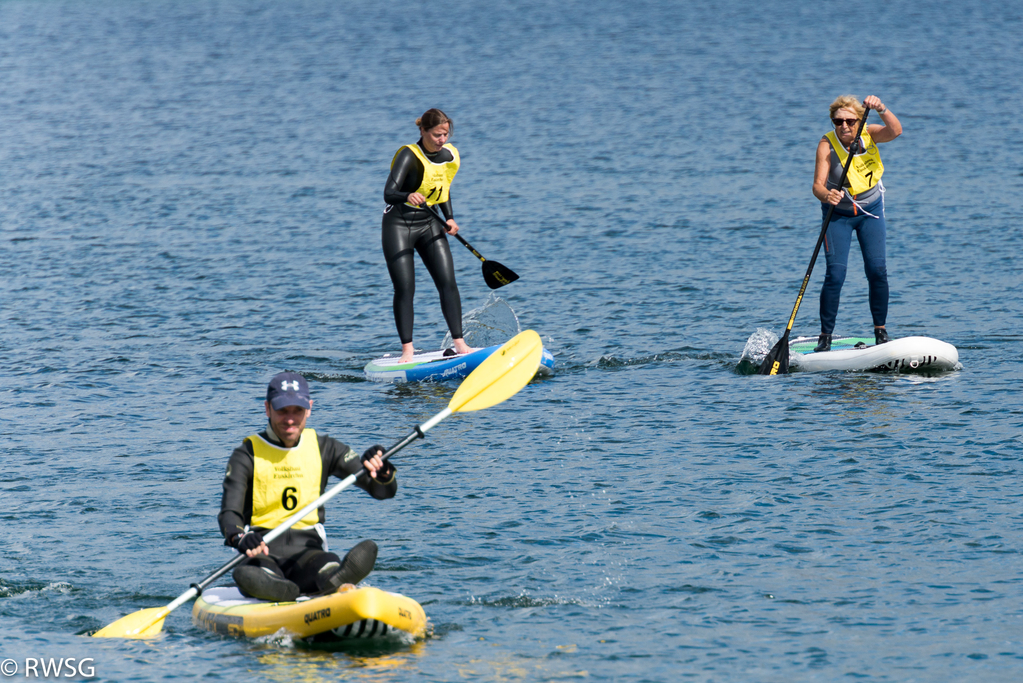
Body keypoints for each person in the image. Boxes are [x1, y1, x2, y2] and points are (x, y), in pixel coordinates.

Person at [218, 372, 397, 602]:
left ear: (309, 408)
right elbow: (229, 512)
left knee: (326, 564)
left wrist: (382, 471)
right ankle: (277, 588)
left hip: (309, 551)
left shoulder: (326, 448)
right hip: (261, 550)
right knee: (252, 571)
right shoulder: (246, 454)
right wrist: (239, 537)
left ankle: (332, 578)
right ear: (267, 408)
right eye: (282, 410)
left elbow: (382, 490)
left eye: (297, 411)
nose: (290, 419)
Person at [811, 94, 902, 352]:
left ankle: (881, 333)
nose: (844, 127)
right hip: (838, 216)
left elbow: (896, 131)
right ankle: (825, 337)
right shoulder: (826, 145)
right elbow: (817, 186)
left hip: (870, 212)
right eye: (838, 122)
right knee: (835, 275)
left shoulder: (870, 133)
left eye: (850, 121)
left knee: (877, 271)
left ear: (859, 121)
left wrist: (882, 107)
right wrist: (827, 194)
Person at [382, 108, 474, 363]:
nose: (441, 139)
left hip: (430, 222)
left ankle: (460, 343)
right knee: (405, 288)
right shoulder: (408, 155)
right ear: (422, 131)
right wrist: (407, 195)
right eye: (436, 134)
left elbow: (442, 188)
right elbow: (389, 193)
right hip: (398, 225)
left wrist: (450, 217)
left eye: (445, 134)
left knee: (448, 282)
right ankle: (407, 351)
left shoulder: (450, 155)